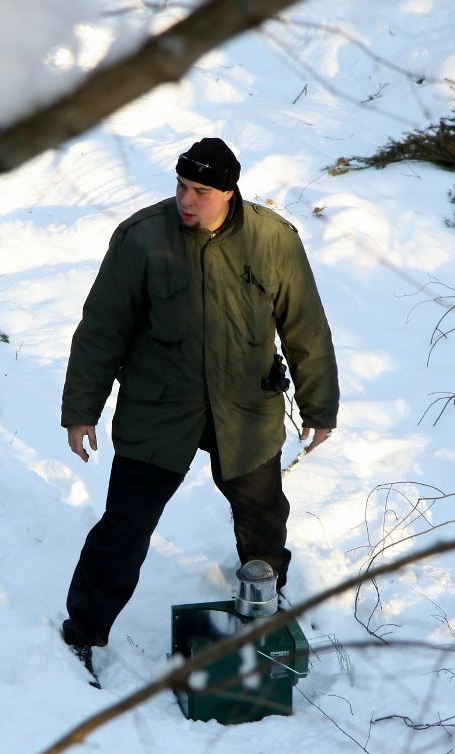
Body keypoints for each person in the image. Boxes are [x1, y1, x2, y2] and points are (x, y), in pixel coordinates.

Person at [59, 137, 340, 678]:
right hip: (159, 408)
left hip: (245, 408)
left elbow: (306, 327)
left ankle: (264, 609)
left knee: (262, 518)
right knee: (125, 528)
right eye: (182, 187)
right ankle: (83, 632)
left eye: (201, 191)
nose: (187, 200)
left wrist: (318, 405)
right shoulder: (142, 238)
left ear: (229, 192)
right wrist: (81, 409)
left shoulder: (272, 240)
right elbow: (101, 330)